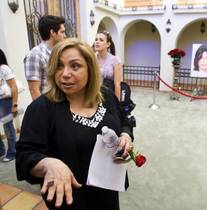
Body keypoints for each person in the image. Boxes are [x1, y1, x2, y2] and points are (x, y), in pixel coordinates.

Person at [16, 38, 134, 210]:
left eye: (75, 66)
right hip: (71, 200)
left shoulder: (105, 96)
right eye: (59, 66)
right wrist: (48, 163)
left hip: (107, 193)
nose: (64, 74)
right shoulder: (41, 109)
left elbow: (124, 121)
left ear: (90, 69)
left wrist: (125, 135)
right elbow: (24, 157)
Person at [24, 15, 65, 100]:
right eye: (62, 32)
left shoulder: (59, 53)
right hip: (49, 107)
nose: (65, 35)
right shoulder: (35, 55)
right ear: (52, 32)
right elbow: (34, 90)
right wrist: (43, 112)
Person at [0, 48, 18, 162]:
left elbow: (13, 86)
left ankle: (12, 152)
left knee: (8, 127)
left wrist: (14, 104)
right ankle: (1, 150)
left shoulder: (4, 68)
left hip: (5, 101)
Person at [94, 31, 122, 101]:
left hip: (108, 97)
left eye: (101, 40)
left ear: (108, 44)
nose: (97, 42)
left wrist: (117, 104)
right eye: (96, 39)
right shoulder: (92, 58)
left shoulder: (115, 60)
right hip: (94, 96)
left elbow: (117, 85)